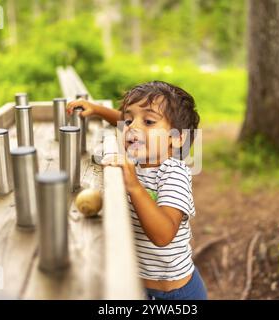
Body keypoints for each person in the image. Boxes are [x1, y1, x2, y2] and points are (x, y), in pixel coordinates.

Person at [67, 81, 207, 300]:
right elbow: (125, 123)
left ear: (178, 138)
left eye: (149, 121)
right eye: (130, 120)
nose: (133, 128)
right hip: (140, 287)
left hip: (175, 294)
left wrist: (133, 185)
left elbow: (163, 235)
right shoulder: (137, 161)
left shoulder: (174, 173)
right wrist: (95, 109)